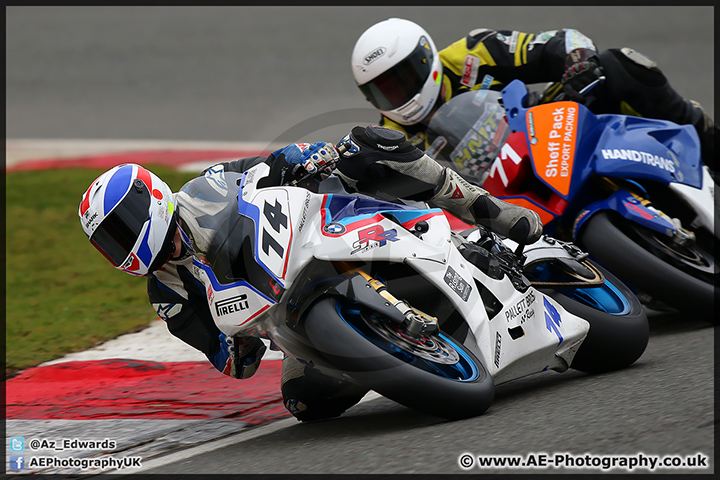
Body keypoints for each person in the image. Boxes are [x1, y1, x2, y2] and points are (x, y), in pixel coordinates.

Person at [78, 125, 542, 422]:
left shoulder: (207, 187)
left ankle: (493, 212)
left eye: (122, 227)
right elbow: (233, 362)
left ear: (151, 200)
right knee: (305, 400)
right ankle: (405, 354)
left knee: (372, 145)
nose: (122, 243)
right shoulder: (168, 293)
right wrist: (235, 339)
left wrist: (309, 157)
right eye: (110, 241)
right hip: (289, 311)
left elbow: (267, 165)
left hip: (327, 220)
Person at [350, 18, 716, 171]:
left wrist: (580, 62)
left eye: (402, 79)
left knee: (618, 64)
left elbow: (555, 43)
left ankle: (703, 135)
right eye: (383, 90)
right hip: (499, 202)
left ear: (427, 58)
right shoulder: (390, 143)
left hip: (546, 129)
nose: (398, 94)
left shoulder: (472, 53)